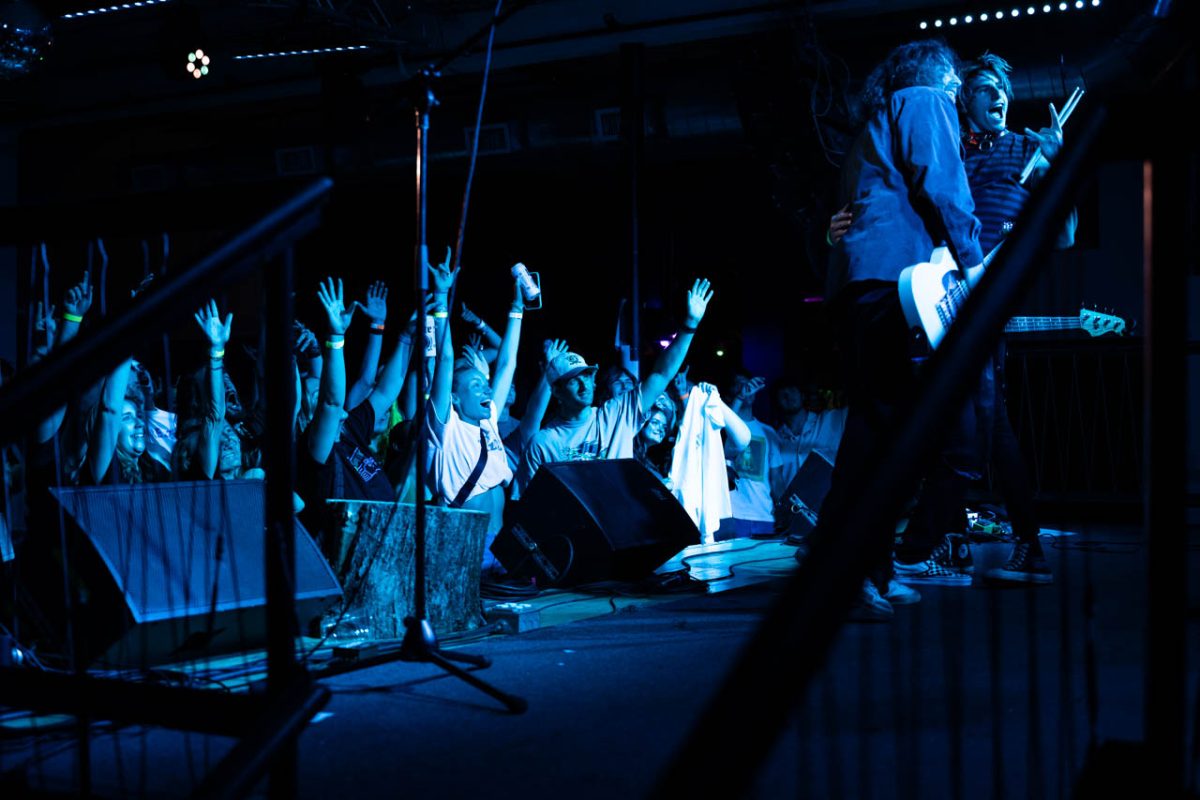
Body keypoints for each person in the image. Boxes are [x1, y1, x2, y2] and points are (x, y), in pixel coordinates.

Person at [817, 38, 984, 619]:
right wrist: (974, 261)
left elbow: (852, 219)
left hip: (864, 285)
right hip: (891, 284)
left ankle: (871, 569)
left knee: (877, 428)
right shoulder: (923, 96)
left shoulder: (868, 129)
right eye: (957, 82)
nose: (959, 93)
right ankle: (847, 574)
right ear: (940, 74)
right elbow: (941, 182)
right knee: (882, 430)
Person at [515, 278, 714, 497]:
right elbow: (535, 507)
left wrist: (688, 326)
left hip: (619, 529)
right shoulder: (543, 443)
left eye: (588, 375)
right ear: (557, 391)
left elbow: (660, 375)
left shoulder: (614, 415)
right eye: (574, 380)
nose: (584, 384)